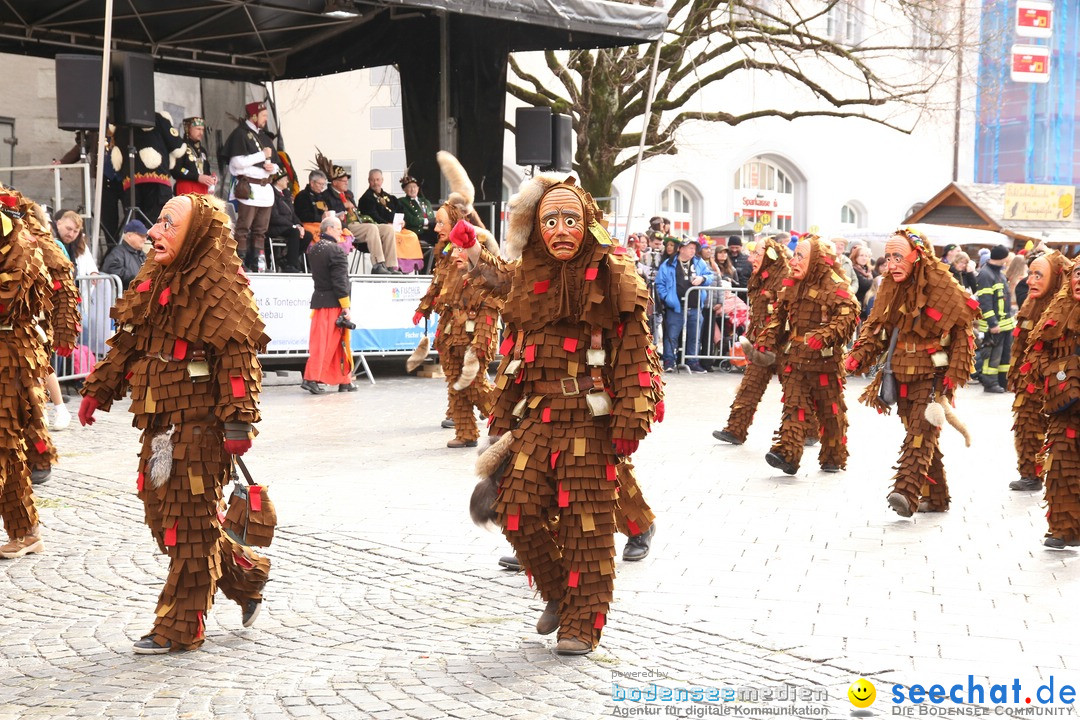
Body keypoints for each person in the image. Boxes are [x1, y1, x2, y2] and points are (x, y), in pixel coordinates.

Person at [455, 174, 663, 656]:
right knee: (515, 510)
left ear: (587, 221)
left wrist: (632, 414)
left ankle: (582, 625)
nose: (560, 229)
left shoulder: (616, 274)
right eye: (550, 220)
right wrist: (502, 420)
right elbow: (515, 357)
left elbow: (635, 352)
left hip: (589, 420)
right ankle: (557, 594)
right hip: (538, 418)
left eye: (570, 219)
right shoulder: (530, 275)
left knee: (583, 526)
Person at [78, 194, 272, 654]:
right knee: (163, 514)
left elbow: (238, 357)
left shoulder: (223, 285)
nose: (154, 232)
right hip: (158, 419)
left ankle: (181, 626)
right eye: (158, 222)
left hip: (201, 424)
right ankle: (244, 576)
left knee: (187, 523)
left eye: (168, 223)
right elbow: (129, 339)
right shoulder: (154, 275)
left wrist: (238, 422)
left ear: (197, 233)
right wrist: (98, 388)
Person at [845, 228, 978, 517]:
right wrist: (854, 359)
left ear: (917, 256)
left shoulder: (944, 287)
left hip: (932, 378)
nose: (891, 264)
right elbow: (877, 332)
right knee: (921, 436)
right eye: (888, 257)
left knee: (919, 435)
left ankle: (905, 493)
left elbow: (963, 333)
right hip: (900, 375)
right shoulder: (889, 290)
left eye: (898, 257)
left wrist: (954, 376)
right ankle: (938, 497)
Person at [755, 234, 858, 475]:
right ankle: (788, 454)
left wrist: (825, 334)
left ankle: (833, 455)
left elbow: (849, 313)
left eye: (800, 256)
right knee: (794, 405)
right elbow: (778, 319)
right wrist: (766, 340)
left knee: (830, 410)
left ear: (815, 260)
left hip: (825, 362)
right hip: (795, 358)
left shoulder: (835, 284)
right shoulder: (791, 285)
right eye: (795, 255)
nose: (794, 261)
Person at [0, 187, 52, 559]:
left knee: (6, 443)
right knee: (8, 447)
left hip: (12, 358)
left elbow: (5, 301)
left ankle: (26, 530)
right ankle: (25, 530)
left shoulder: (21, 245)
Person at [714, 235, 796, 445]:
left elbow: (786, 315)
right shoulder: (758, 277)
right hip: (760, 346)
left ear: (769, 255)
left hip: (784, 348)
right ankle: (735, 429)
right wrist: (753, 337)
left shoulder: (787, 277)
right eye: (752, 254)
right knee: (750, 386)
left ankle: (809, 430)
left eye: (756, 253)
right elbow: (758, 313)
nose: (751, 258)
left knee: (795, 394)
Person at [1006, 250, 1071, 492]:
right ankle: (1030, 474)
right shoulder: (1030, 302)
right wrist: (1014, 374)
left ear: (1054, 278)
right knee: (1025, 425)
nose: (1030, 280)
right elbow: (1019, 342)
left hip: (1058, 382)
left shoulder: (1068, 306)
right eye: (1030, 274)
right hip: (1028, 381)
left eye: (1038, 275)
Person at [1026, 262, 1080, 548]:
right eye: (1078, 274)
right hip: (1063, 406)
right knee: (1059, 465)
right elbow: (1034, 351)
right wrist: (1054, 372)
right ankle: (1062, 528)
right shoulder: (1056, 312)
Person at [301, 215, 355, 394]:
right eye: (339, 228)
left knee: (327, 342)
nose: (342, 232)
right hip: (334, 304)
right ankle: (311, 378)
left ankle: (344, 379)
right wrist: (346, 306)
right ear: (330, 229)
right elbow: (340, 281)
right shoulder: (336, 251)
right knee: (332, 343)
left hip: (319, 301)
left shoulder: (315, 248)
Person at [223, 101, 278, 271]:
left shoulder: (264, 137)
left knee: (260, 229)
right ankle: (240, 262)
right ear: (253, 116)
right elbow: (237, 162)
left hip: (265, 188)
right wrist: (261, 156)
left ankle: (257, 262)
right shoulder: (240, 134)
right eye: (263, 116)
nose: (265, 120)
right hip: (249, 188)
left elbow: (276, 164)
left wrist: (272, 167)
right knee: (243, 227)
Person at [655, 238, 714, 373]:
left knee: (695, 335)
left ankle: (692, 361)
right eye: (690, 248)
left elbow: (710, 276)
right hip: (676, 307)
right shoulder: (668, 264)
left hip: (695, 306)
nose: (693, 251)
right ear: (681, 249)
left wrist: (702, 279)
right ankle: (669, 361)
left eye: (694, 248)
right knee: (672, 335)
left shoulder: (699, 262)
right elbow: (660, 284)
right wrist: (667, 298)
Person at [121, 111, 186, 226]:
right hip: (157, 180)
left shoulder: (122, 120)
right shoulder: (159, 119)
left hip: (131, 181)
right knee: (156, 223)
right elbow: (178, 147)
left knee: (135, 225)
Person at [973, 244, 1016, 393]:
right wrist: (992, 323)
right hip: (995, 325)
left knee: (1004, 356)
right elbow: (985, 302)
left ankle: (1003, 382)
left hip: (1005, 323)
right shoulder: (986, 274)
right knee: (992, 357)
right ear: (1003, 258)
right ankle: (990, 383)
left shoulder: (999, 273)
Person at [355, 169, 403, 274]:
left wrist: (401, 221)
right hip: (374, 231)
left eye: (377, 179)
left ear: (382, 180)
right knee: (388, 229)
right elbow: (373, 216)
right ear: (368, 181)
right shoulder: (366, 198)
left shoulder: (389, 197)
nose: (375, 182)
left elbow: (399, 210)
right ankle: (379, 265)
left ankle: (391, 266)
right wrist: (387, 223)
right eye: (372, 180)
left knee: (410, 235)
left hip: (392, 228)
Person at [267, 172, 311, 273]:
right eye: (285, 179)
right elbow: (274, 216)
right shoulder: (271, 194)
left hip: (288, 226)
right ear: (278, 181)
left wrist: (299, 225)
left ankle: (286, 259)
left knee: (307, 235)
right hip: (275, 227)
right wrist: (294, 226)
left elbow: (293, 214)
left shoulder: (286, 194)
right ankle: (291, 265)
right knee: (294, 233)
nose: (288, 181)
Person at [399, 173, 437, 270]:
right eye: (409, 187)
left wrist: (429, 221)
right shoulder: (402, 202)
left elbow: (432, 217)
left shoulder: (425, 202)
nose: (413, 189)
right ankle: (426, 270)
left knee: (444, 242)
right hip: (416, 233)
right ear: (404, 189)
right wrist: (427, 221)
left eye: (415, 187)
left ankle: (439, 268)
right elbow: (411, 220)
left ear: (418, 188)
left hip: (430, 231)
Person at [172, 116, 217, 196]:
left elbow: (205, 171)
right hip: (186, 189)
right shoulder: (181, 146)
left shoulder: (202, 150)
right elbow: (178, 169)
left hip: (202, 190)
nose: (201, 133)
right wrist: (196, 177)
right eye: (198, 129)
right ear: (188, 129)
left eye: (202, 129)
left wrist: (211, 178)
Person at [101, 220, 149, 289]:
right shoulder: (116, 254)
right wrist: (139, 277)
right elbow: (112, 271)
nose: (145, 239)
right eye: (142, 236)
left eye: (146, 236)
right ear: (129, 236)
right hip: (127, 297)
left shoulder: (142, 254)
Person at [850, 244, 874, 312]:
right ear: (855, 257)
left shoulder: (869, 270)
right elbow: (863, 284)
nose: (864, 258)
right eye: (861, 255)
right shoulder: (853, 269)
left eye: (866, 256)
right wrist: (872, 280)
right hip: (857, 305)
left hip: (867, 306)